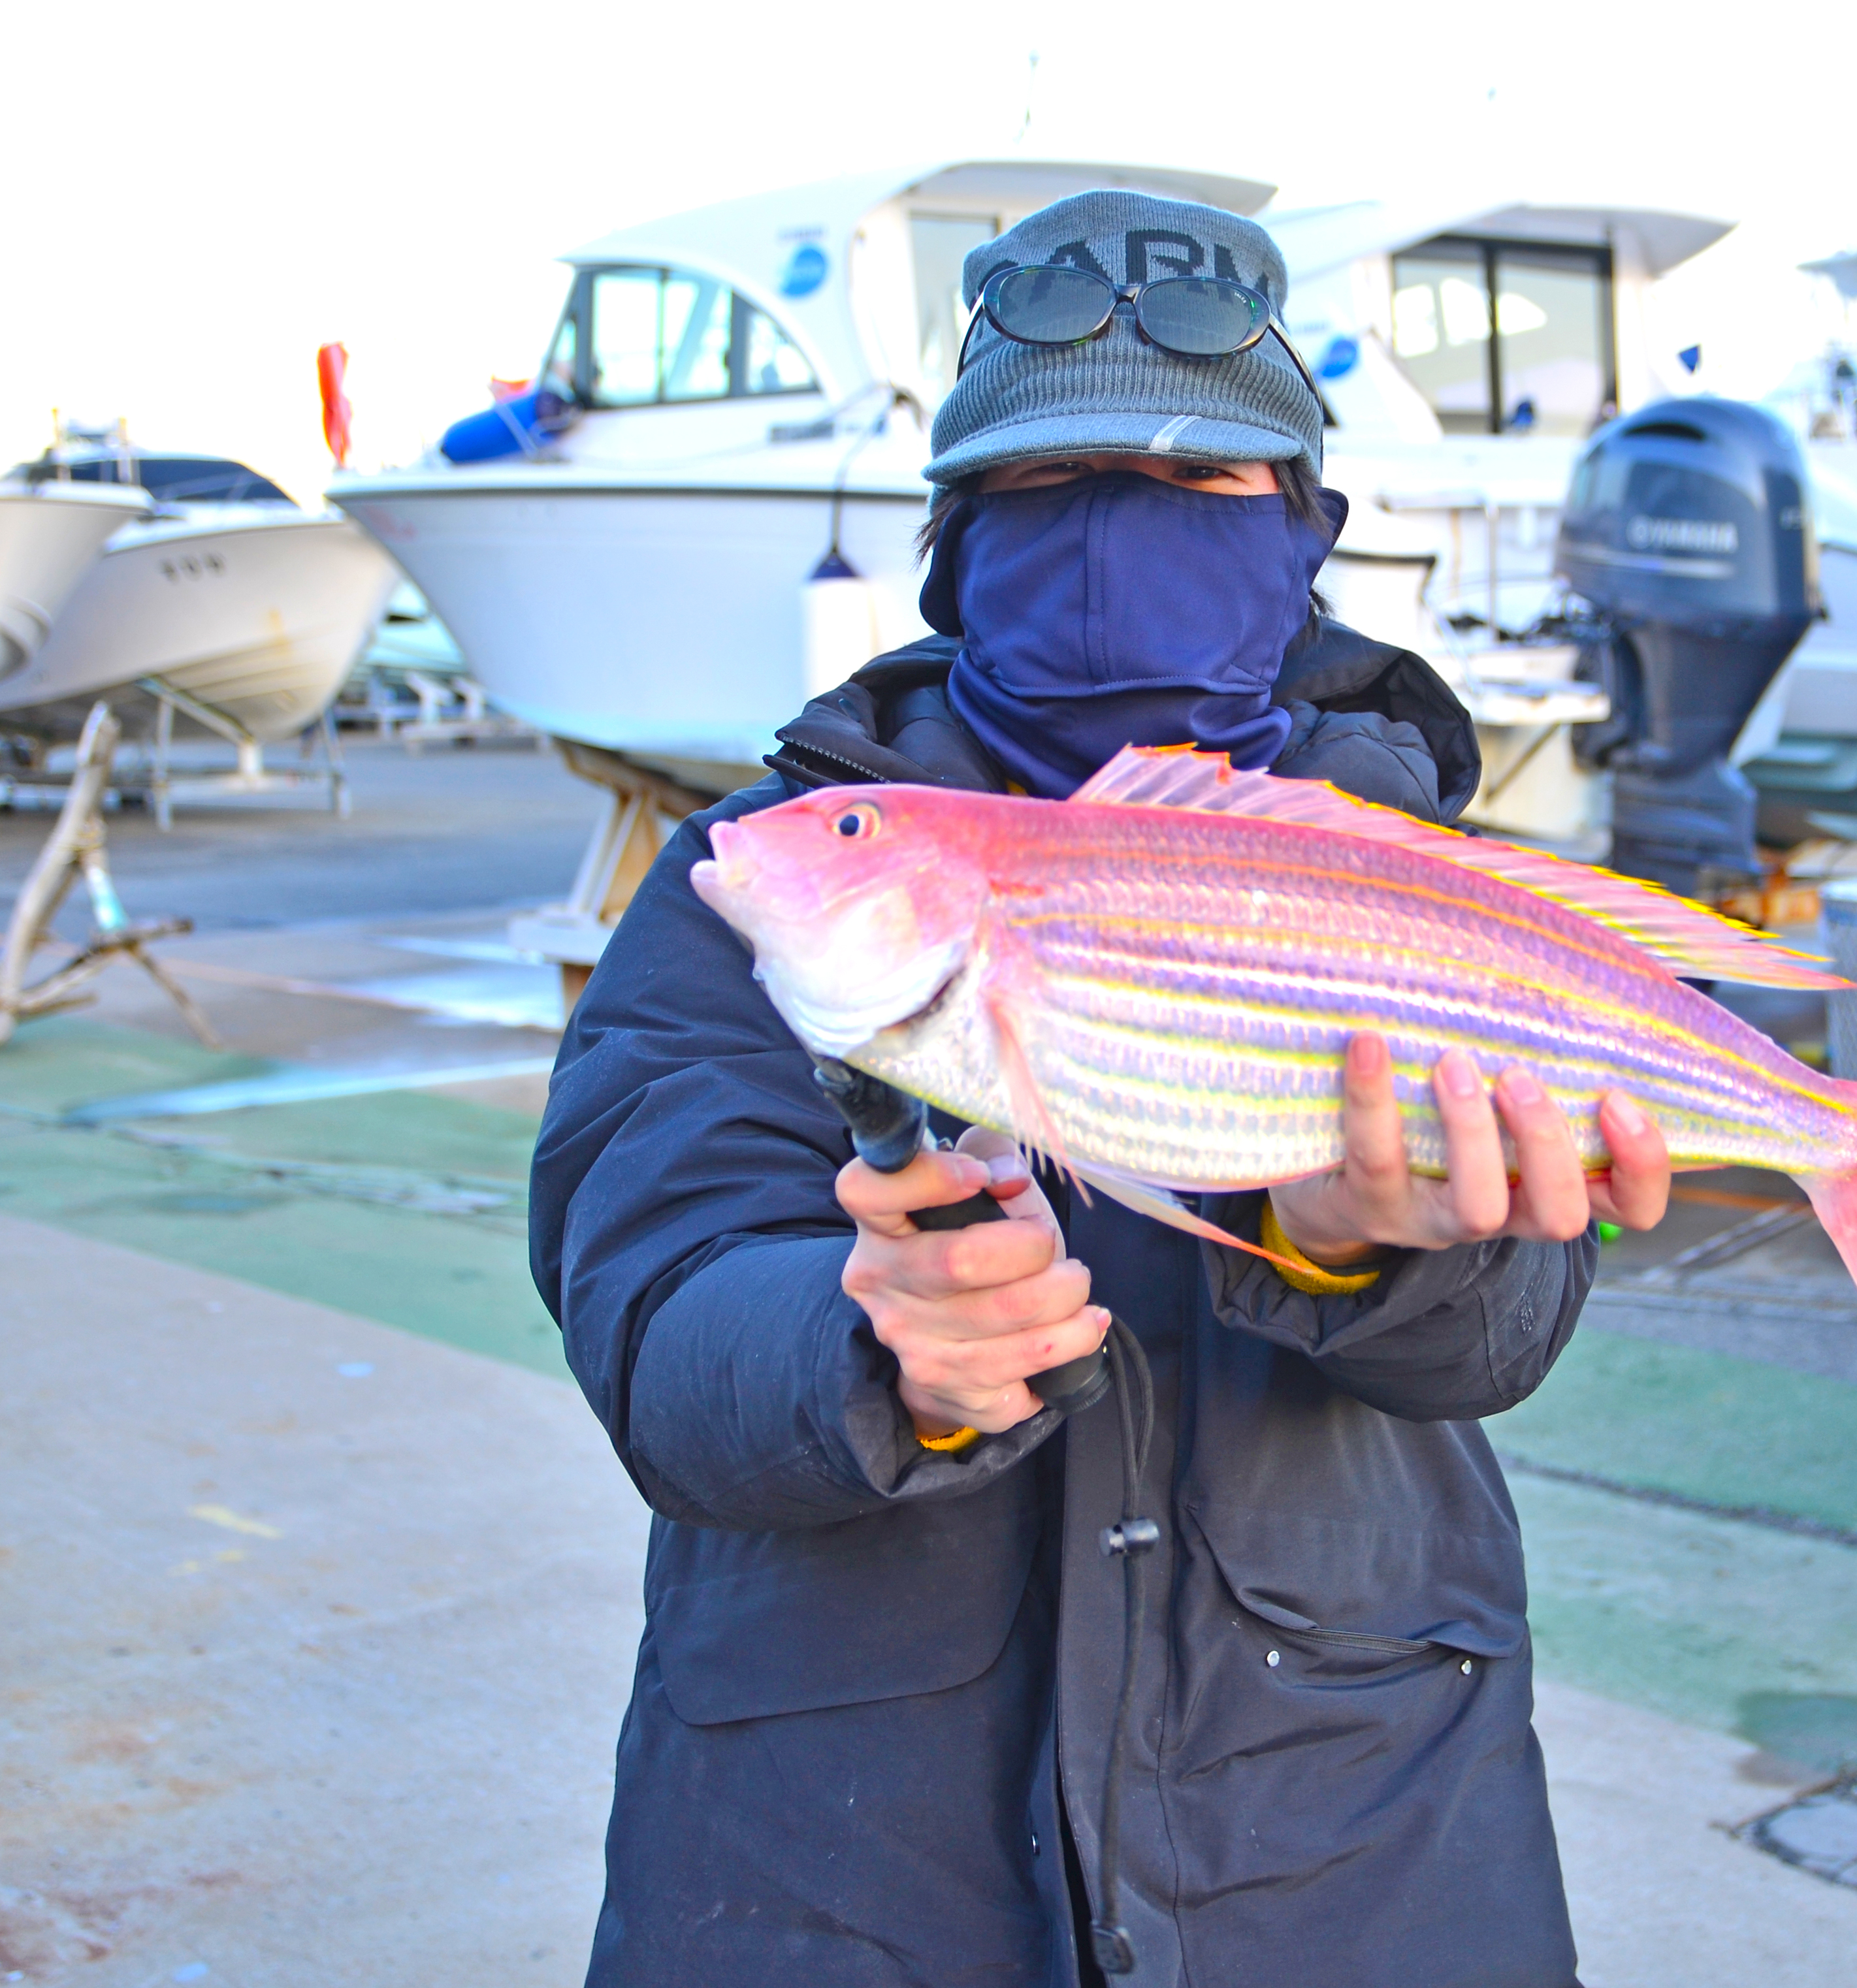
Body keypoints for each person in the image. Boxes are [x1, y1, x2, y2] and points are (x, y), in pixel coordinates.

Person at [531, 189, 1671, 1987]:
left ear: (1305, 535)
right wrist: (865, 1339)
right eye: (1051, 489)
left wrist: (1384, 1248)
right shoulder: (768, 873)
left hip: (1350, 1827)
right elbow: (651, 1299)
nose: (1124, 530)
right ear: (955, 544)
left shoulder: (1418, 870)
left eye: (1205, 485)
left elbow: (1506, 1335)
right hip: (841, 1858)